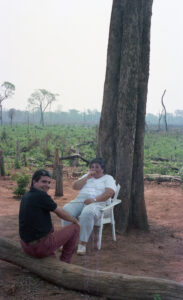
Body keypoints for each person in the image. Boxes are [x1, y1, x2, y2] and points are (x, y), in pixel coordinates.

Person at [19, 169, 80, 263]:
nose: (47, 185)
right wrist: (75, 220)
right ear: (34, 182)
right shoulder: (41, 195)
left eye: (49, 182)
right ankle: (65, 262)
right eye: (43, 182)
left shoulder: (26, 196)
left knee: (50, 227)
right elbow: (61, 213)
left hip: (26, 247)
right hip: (38, 248)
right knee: (75, 228)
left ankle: (50, 255)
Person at [61, 158, 116, 255]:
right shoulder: (87, 176)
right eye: (92, 167)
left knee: (87, 213)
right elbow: (75, 186)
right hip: (80, 200)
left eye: (97, 167)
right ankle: (66, 240)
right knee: (66, 210)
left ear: (102, 169)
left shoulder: (108, 178)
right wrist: (86, 178)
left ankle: (82, 243)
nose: (94, 169)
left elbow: (109, 193)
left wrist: (94, 200)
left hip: (98, 202)